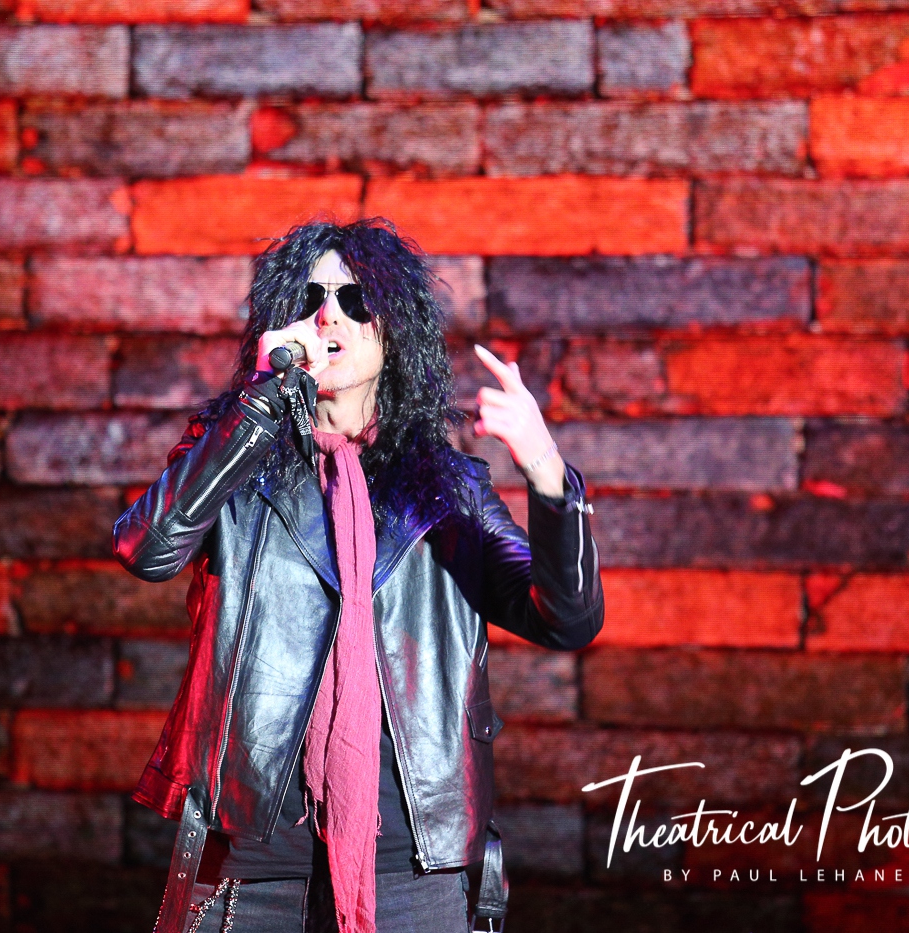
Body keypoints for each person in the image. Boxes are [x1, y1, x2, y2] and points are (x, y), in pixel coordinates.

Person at [112, 218, 603, 933]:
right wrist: (259, 402)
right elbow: (147, 550)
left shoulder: (447, 490)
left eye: (355, 299)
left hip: (411, 869)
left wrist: (548, 473)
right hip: (252, 866)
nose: (329, 315)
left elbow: (567, 617)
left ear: (393, 329)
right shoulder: (234, 459)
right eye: (310, 297)